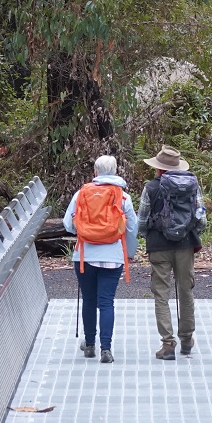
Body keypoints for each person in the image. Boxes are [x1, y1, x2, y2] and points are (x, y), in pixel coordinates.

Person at [63, 155, 138, 364]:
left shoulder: (81, 194)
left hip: (84, 256)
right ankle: (106, 348)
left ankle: (89, 345)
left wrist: (85, 230)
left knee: (89, 300)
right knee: (106, 302)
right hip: (113, 257)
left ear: (95, 172)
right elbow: (132, 227)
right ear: (115, 171)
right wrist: (129, 252)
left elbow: (68, 224)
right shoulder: (123, 197)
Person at [137, 145, 206, 360]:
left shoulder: (151, 187)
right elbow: (201, 218)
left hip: (158, 245)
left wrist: (145, 236)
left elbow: (142, 219)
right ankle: (187, 339)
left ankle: (168, 344)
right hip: (185, 245)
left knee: (161, 293)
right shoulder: (192, 185)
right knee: (186, 290)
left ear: (158, 169)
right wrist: (189, 232)